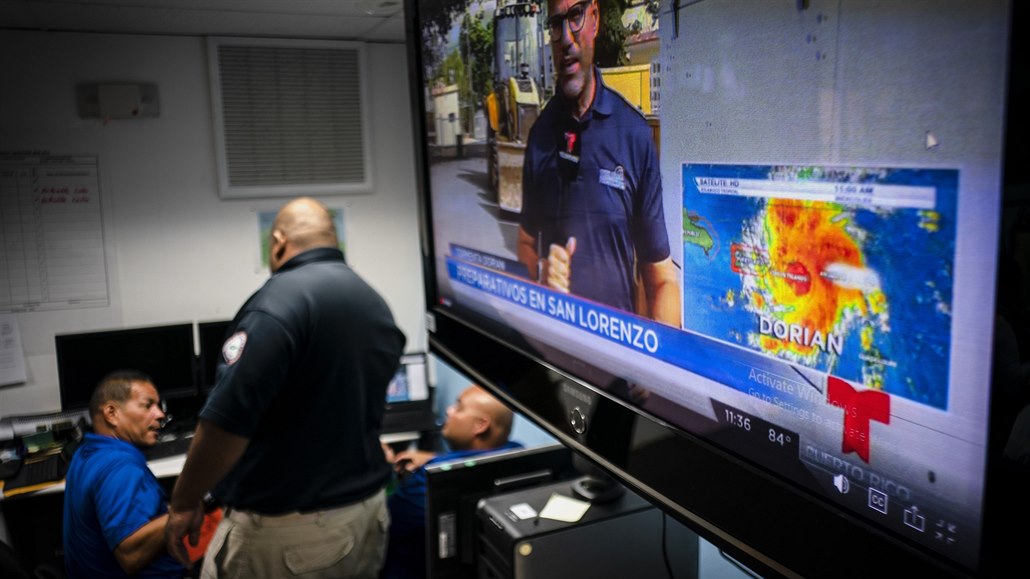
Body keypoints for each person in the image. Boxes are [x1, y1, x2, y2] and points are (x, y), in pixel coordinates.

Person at [164, 196, 407, 578]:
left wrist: (184, 502)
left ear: (277, 241)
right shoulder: (373, 302)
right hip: (366, 516)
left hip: (292, 536)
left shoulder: (276, 305)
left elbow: (224, 424)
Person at [518, 0, 680, 327]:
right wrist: (538, 272)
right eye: (555, 24)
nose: (565, 37)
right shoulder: (540, 136)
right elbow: (525, 243)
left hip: (616, 360)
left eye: (575, 16)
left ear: (594, 18)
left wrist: (654, 368)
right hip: (554, 355)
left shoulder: (633, 134)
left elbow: (660, 278)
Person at [380, 384, 521, 579]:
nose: (449, 410)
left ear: (480, 426)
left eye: (459, 407)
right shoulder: (518, 455)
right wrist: (434, 458)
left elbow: (385, 523)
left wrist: (383, 466)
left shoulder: (427, 482)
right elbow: (470, 463)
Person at [63, 369, 187, 578]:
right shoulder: (121, 468)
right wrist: (191, 509)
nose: (160, 414)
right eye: (148, 405)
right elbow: (132, 556)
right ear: (112, 413)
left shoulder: (86, 451)